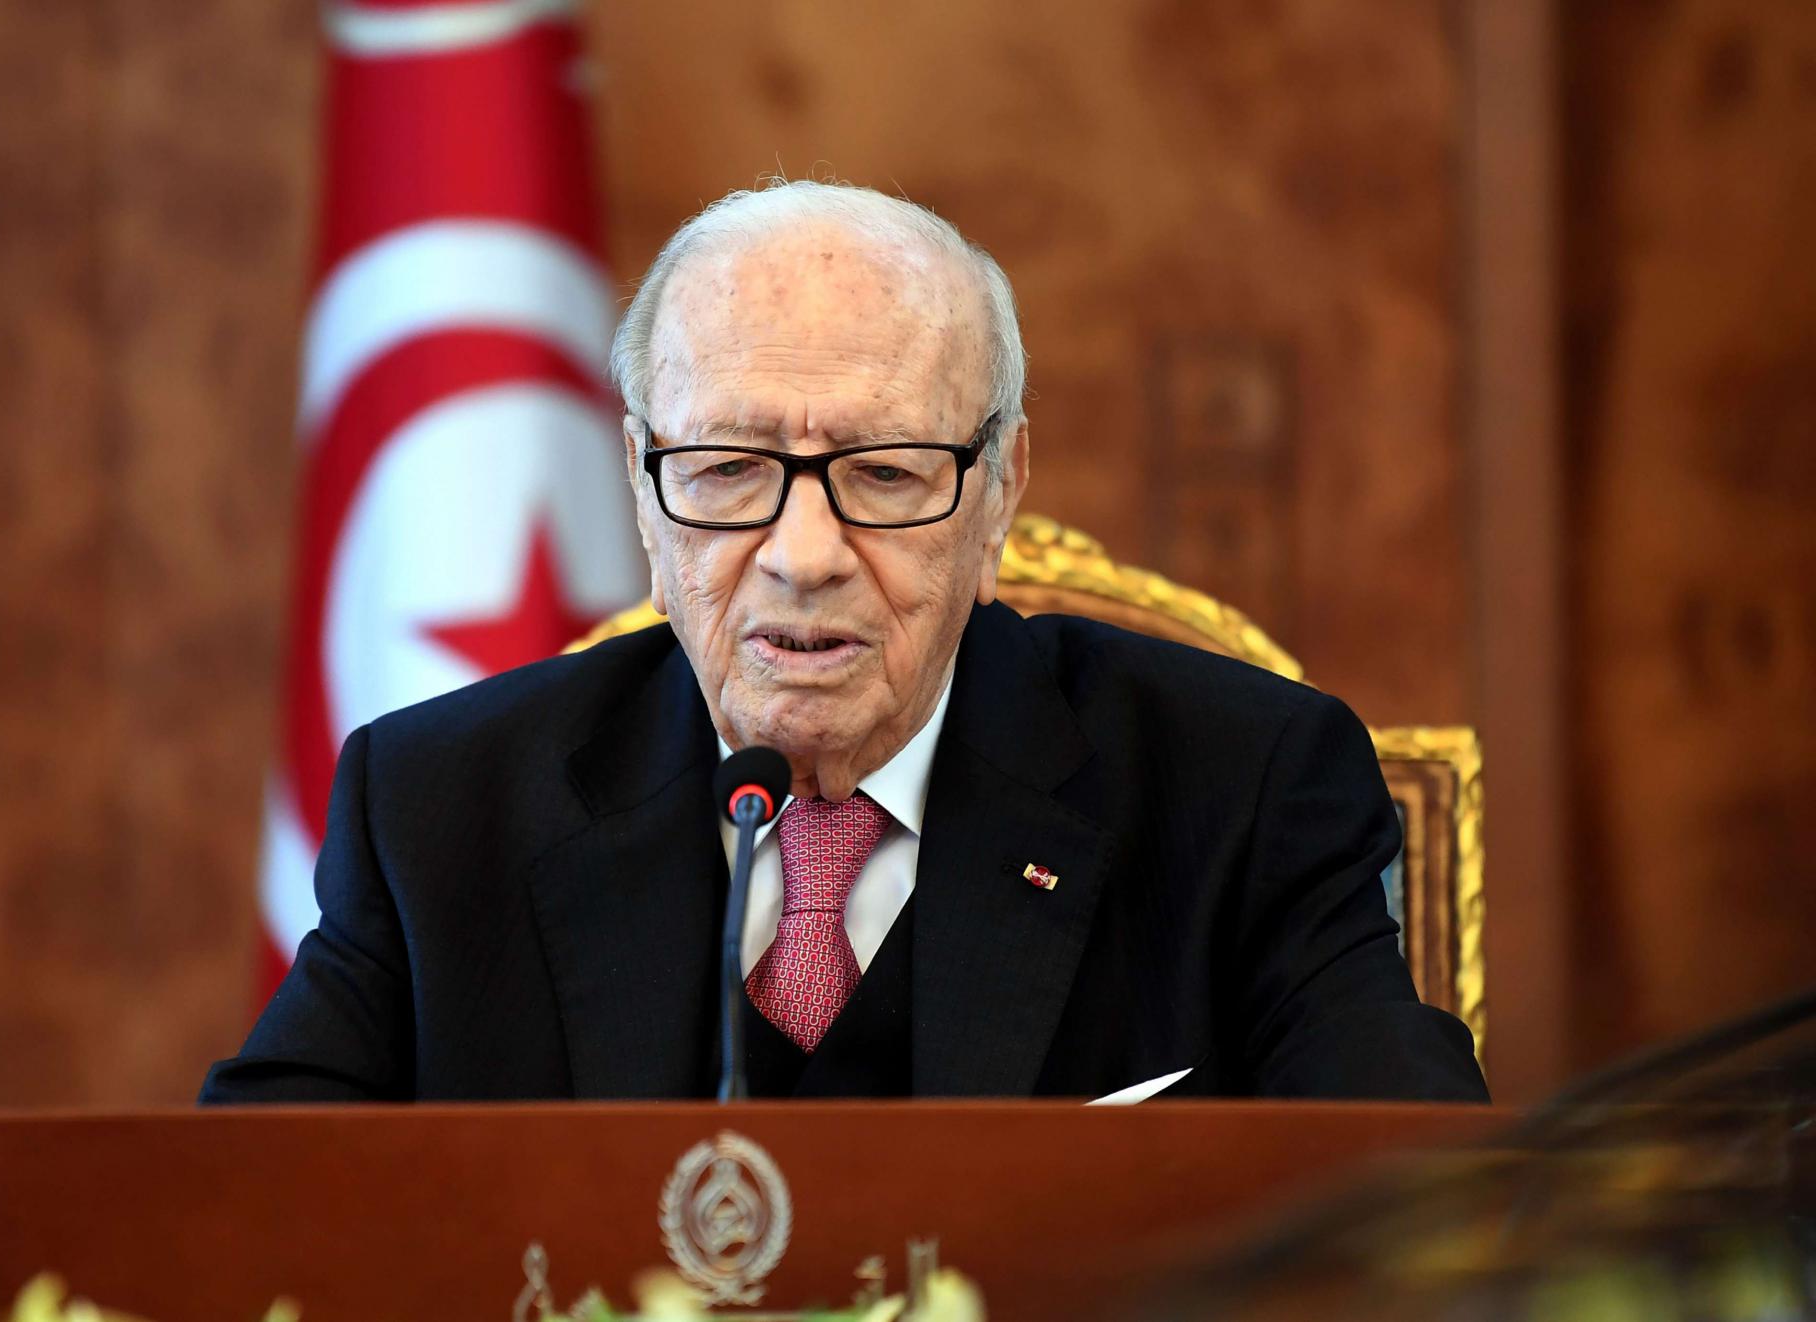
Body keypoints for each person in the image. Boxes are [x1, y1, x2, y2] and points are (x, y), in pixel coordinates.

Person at [202, 181, 1487, 1104]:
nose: (803, 553)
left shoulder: (1242, 789)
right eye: (725, 468)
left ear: (999, 489)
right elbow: (246, 1209)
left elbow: (1414, 1203)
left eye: (883, 472)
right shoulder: (439, 809)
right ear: (643, 491)